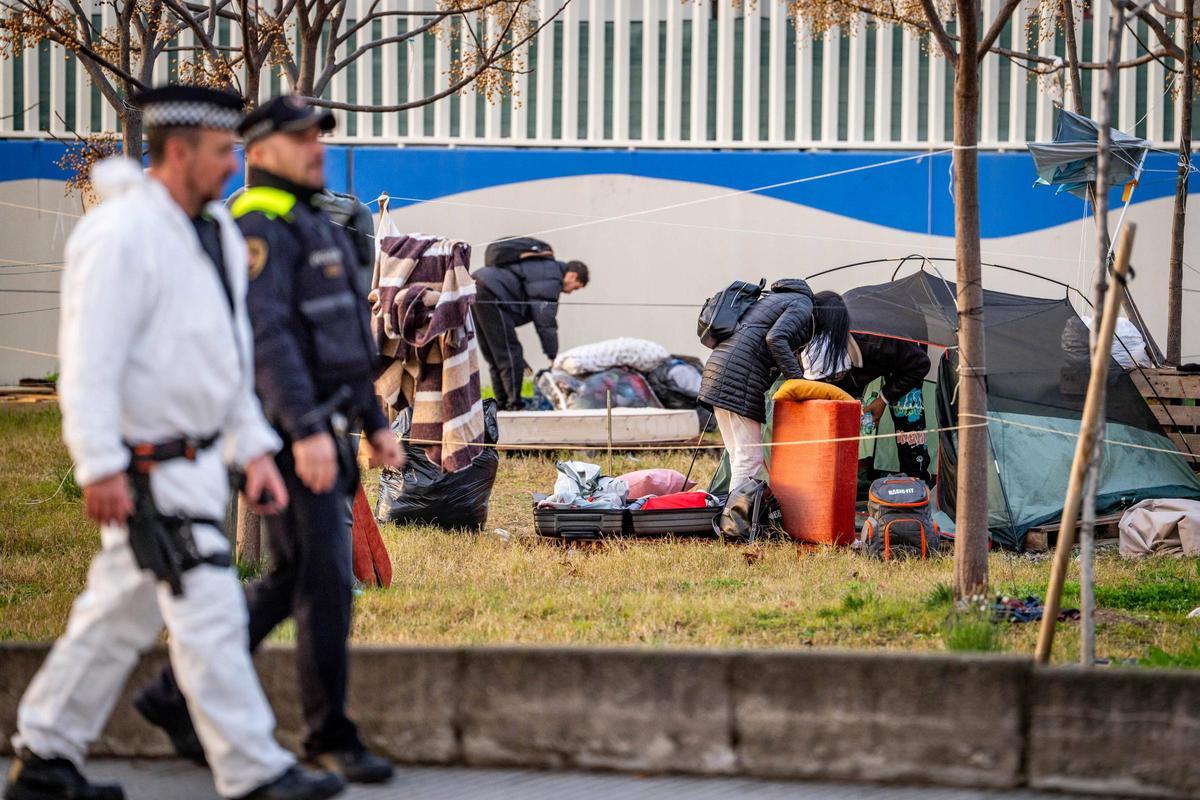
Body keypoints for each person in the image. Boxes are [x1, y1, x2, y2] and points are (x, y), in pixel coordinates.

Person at [4, 86, 343, 800]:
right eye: (224, 153)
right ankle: (254, 771)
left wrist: (252, 448)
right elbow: (91, 359)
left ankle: (43, 757)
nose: (234, 166)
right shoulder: (121, 234)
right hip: (146, 467)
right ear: (180, 153)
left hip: (193, 464)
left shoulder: (215, 231)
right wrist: (98, 463)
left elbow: (226, 352)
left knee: (115, 618)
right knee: (212, 614)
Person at [134, 95, 403, 786]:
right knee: (325, 583)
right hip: (284, 429)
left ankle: (172, 696)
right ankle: (328, 733)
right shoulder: (255, 224)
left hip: (321, 427)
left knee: (293, 580)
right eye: (299, 138)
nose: (316, 147)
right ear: (257, 153)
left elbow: (343, 337)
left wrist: (373, 422)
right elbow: (270, 342)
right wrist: (307, 431)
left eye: (317, 136)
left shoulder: (316, 221)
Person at [803, 290, 933, 485]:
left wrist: (883, 398)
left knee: (907, 411)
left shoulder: (877, 341)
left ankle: (916, 481)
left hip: (904, 333)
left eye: (835, 376)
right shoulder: (810, 342)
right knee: (839, 415)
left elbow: (921, 364)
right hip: (859, 329)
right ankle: (835, 480)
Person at [697, 279, 816, 489]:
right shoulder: (803, 303)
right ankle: (734, 519)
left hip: (717, 370)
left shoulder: (771, 300)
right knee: (749, 459)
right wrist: (798, 381)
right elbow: (775, 338)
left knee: (738, 455)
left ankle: (731, 512)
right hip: (738, 377)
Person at [472, 241, 589, 410]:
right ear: (572, 276)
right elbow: (545, 321)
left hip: (478, 287)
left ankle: (502, 402)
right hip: (492, 292)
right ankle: (513, 404)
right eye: (575, 288)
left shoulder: (542, 268)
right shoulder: (551, 276)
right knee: (511, 353)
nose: (570, 292)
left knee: (495, 353)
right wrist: (552, 356)